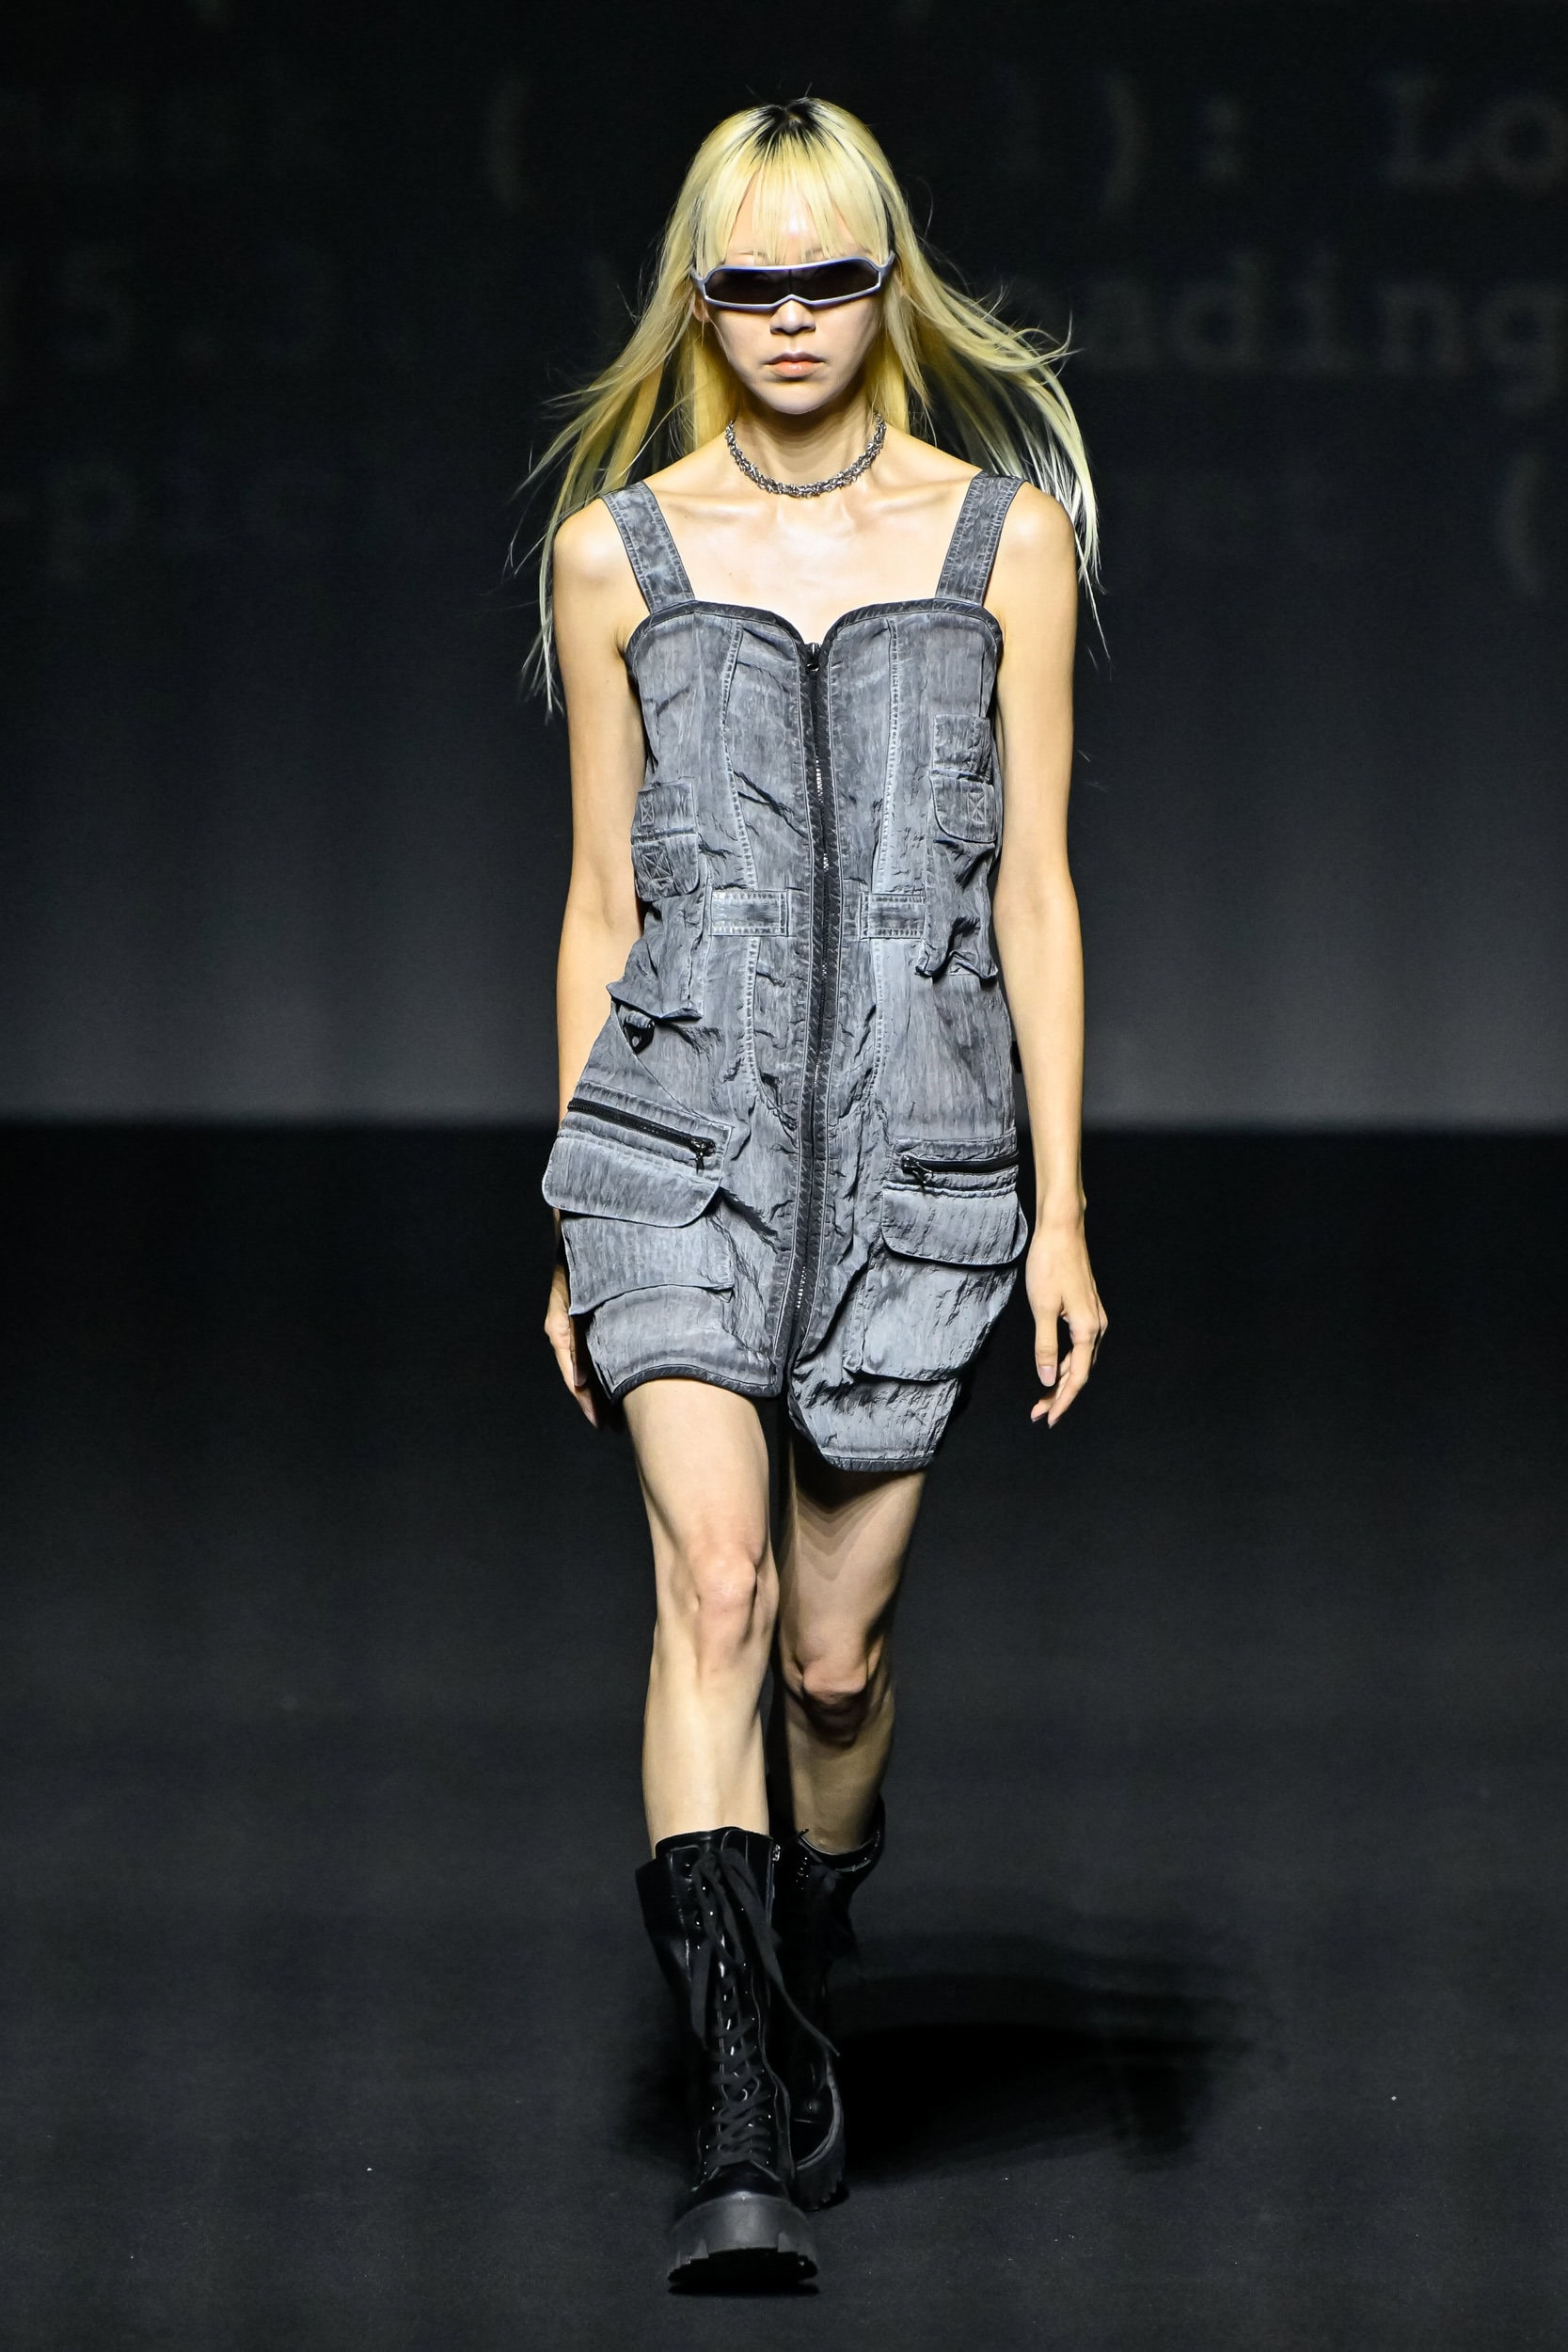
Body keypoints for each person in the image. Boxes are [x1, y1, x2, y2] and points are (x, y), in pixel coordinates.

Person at [531, 95, 1107, 2289]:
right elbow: (601, 900)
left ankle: (797, 1954)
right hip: (670, 1145)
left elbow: (1034, 890)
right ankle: (743, 2124)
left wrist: (1063, 1212)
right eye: (750, 282)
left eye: (831, 277)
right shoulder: (619, 551)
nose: (792, 319)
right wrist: (570, 1202)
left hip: (921, 1166)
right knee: (717, 1586)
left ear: (890, 284)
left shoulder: (1001, 542)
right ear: (697, 300)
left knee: (837, 1666)